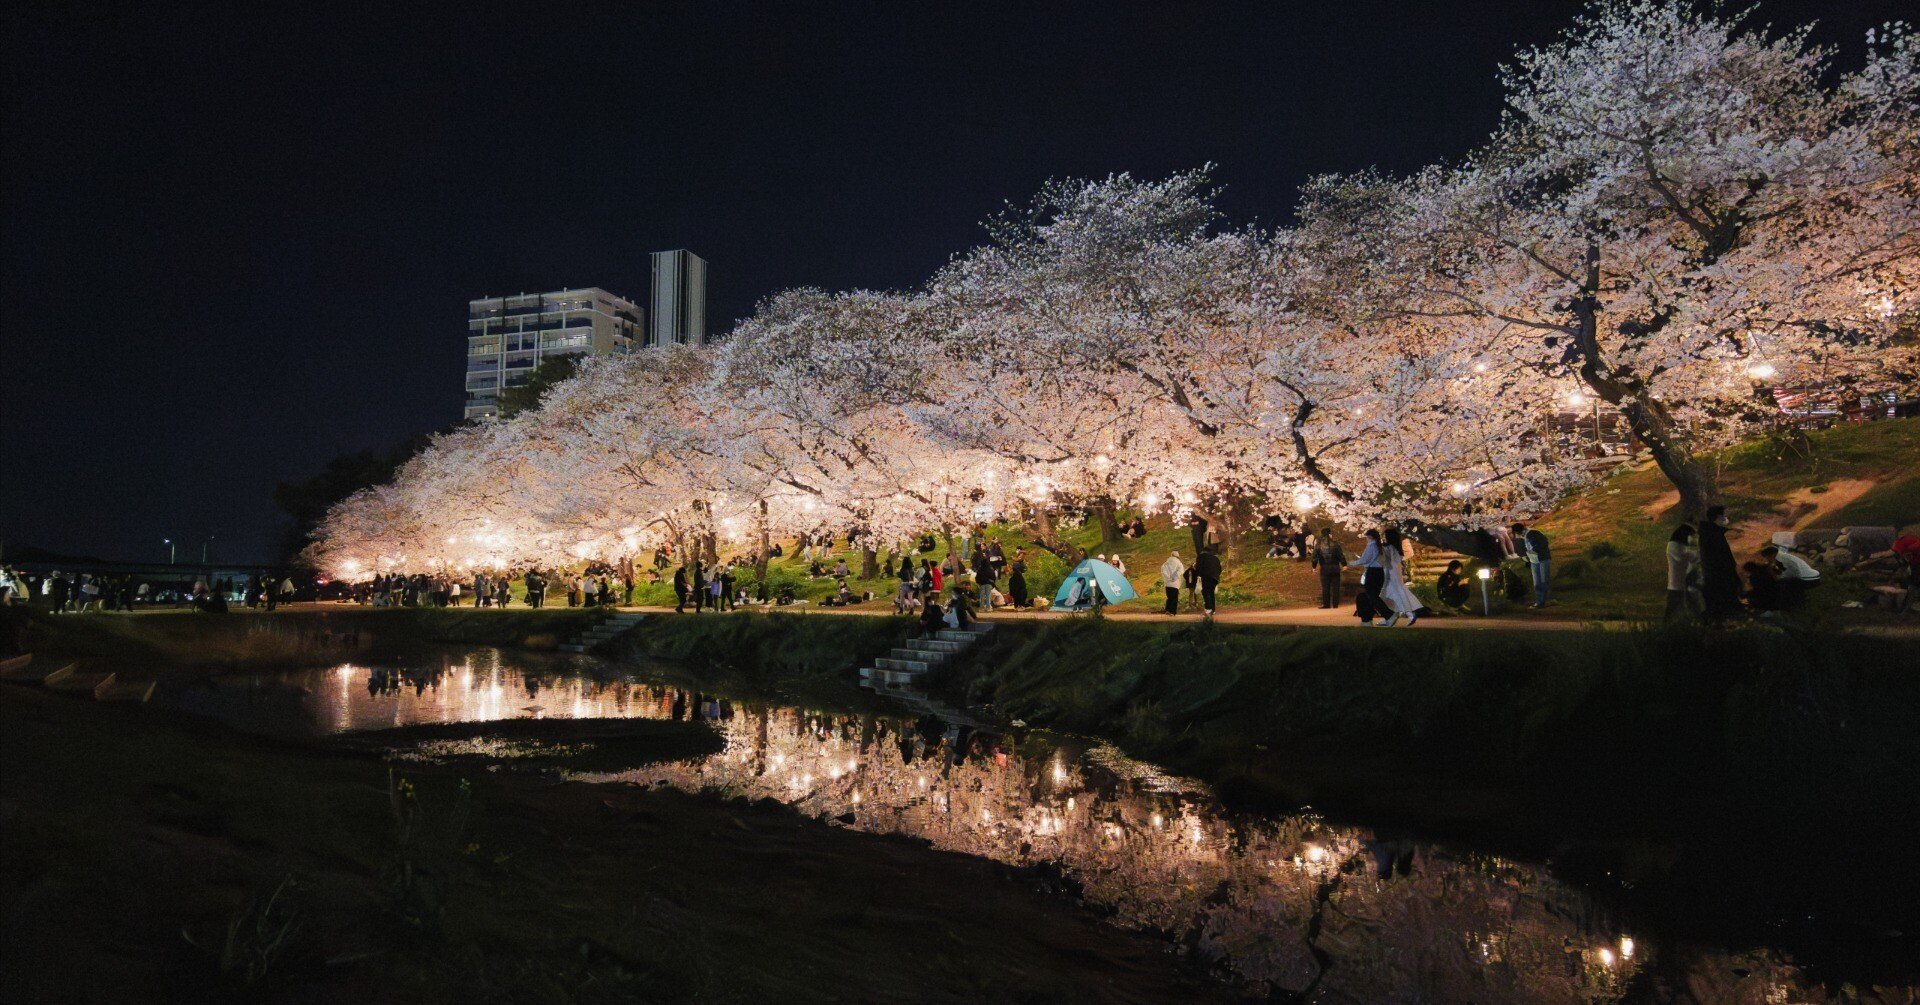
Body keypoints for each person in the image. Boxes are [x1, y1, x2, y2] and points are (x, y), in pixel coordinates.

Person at [1697, 506, 1740, 622]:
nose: (1726, 518)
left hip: (1715, 575)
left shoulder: (1710, 532)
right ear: (1719, 517)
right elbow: (1722, 557)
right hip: (1719, 576)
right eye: (1724, 516)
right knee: (1721, 606)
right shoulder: (1714, 535)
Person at [1379, 527, 1427, 626]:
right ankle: (1392, 616)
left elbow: (1388, 562)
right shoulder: (1396, 547)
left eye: (1384, 535)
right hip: (1395, 572)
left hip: (1390, 574)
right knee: (1394, 594)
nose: (1383, 537)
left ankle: (1407, 614)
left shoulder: (1389, 548)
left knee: (1390, 595)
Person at [1349, 530, 1388, 625]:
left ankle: (1386, 614)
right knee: (1373, 596)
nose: (1366, 540)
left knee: (1371, 596)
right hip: (1380, 572)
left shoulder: (1371, 546)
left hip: (1373, 572)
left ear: (1370, 537)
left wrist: (1352, 563)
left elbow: (1365, 559)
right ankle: (1368, 619)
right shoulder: (1380, 547)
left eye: (1366, 537)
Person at [1511, 522, 1551, 608]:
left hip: (1542, 559)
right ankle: (1539, 601)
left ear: (1517, 532)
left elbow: (1543, 543)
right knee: (1537, 582)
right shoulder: (1525, 536)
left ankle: (1542, 601)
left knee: (1543, 581)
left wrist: (1532, 551)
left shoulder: (1532, 533)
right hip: (1534, 560)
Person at [1665, 525, 1700, 622]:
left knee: (1676, 607)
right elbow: (1694, 557)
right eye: (1692, 536)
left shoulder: (1676, 547)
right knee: (1675, 607)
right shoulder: (1678, 548)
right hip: (1678, 586)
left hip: (1678, 585)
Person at [1310, 528, 1345, 609]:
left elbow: (1314, 557)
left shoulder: (1318, 544)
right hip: (1335, 567)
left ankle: (1326, 604)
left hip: (1324, 568)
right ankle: (1335, 605)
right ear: (1330, 534)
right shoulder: (1335, 544)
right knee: (1336, 587)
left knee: (1325, 587)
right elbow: (1341, 555)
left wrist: (1314, 567)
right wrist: (1344, 564)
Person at [1195, 546, 1222, 618]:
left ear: (1203, 551)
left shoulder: (1201, 556)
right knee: (1211, 593)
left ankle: (1208, 609)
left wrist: (1198, 575)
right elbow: (1219, 569)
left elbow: (1198, 567)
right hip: (1215, 578)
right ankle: (1213, 610)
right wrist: (1216, 576)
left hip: (1206, 577)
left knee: (1206, 592)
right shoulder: (1216, 558)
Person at [1159, 550, 1185, 616]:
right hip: (1175, 583)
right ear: (1177, 556)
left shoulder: (1166, 563)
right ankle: (1172, 612)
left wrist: (1168, 578)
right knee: (1174, 598)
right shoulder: (1178, 562)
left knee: (1169, 597)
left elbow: (1163, 571)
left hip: (1167, 584)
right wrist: (1174, 577)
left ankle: (1167, 610)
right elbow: (1181, 570)